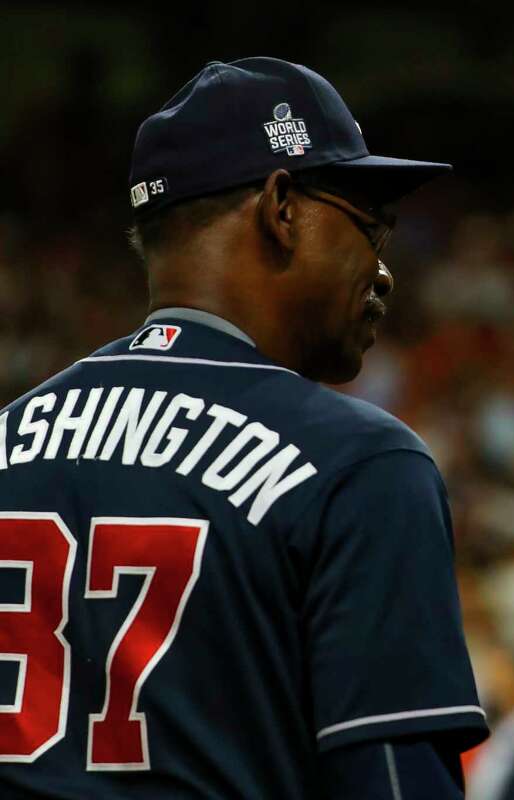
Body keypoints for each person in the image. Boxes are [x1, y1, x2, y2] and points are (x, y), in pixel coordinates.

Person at [0, 57, 487, 798]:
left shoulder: (9, 436)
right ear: (281, 206)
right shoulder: (360, 463)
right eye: (370, 230)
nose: (383, 272)